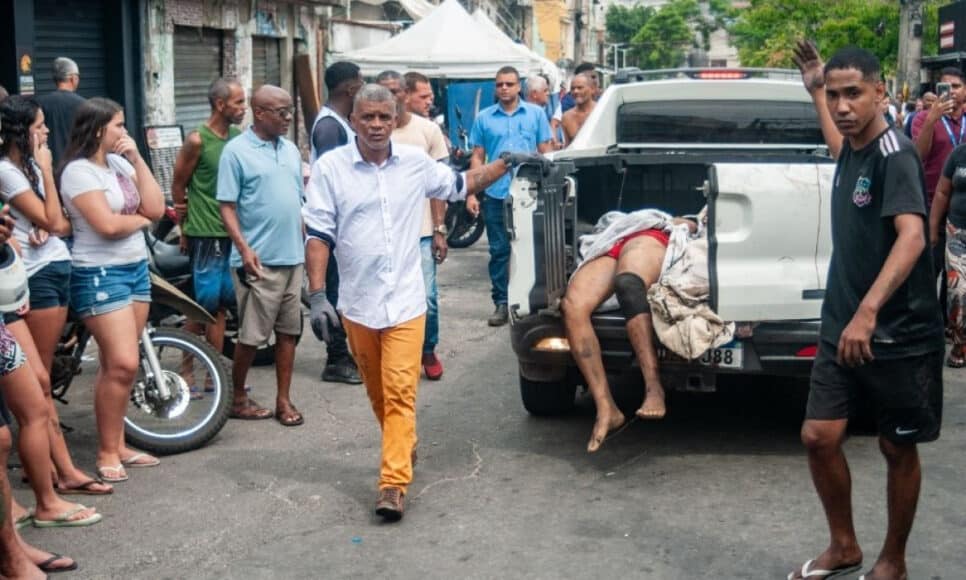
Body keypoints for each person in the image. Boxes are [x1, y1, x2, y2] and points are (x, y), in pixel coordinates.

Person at [303, 84, 526, 521]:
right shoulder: (331, 169)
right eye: (367, 117)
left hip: (406, 301)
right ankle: (403, 443)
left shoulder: (415, 164)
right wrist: (316, 295)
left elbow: (463, 184)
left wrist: (505, 163)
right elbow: (318, 234)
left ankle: (393, 483)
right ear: (354, 120)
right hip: (357, 304)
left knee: (401, 392)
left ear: (395, 118)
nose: (376, 125)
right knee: (378, 394)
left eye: (384, 117)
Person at [790, 42, 944, 580]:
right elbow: (837, 148)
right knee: (819, 436)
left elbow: (913, 237)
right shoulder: (855, 146)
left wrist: (869, 310)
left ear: (881, 92)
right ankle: (844, 546)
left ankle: (893, 561)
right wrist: (814, 88)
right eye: (834, 95)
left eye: (853, 94)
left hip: (897, 332)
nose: (841, 106)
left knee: (896, 447)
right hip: (843, 326)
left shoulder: (894, 155)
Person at [0, 95, 114, 497]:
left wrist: (47, 218)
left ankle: (58, 466)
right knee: (39, 381)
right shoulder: (10, 172)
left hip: (50, 269)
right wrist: (47, 172)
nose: (47, 132)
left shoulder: (27, 168)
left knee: (42, 381)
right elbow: (51, 217)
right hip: (31, 279)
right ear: (21, 131)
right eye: (39, 126)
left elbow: (61, 224)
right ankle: (55, 470)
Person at [60, 97, 166, 482]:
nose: (125, 132)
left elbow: (156, 207)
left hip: (135, 268)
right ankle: (106, 451)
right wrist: (139, 220)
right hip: (99, 273)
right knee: (124, 363)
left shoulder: (121, 164)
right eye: (119, 126)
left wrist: (137, 159)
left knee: (114, 366)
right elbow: (104, 226)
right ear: (99, 128)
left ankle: (119, 444)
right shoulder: (78, 172)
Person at [563, 211, 699, 452]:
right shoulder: (630, 217)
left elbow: (691, 226)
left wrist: (686, 223)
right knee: (572, 306)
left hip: (647, 236)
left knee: (628, 284)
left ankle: (653, 388)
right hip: (614, 237)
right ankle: (606, 407)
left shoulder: (669, 222)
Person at [217, 85, 305, 427]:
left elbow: (296, 201)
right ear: (260, 112)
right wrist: (243, 248)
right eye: (280, 112)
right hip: (258, 260)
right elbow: (226, 205)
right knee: (252, 337)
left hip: (292, 257)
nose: (287, 118)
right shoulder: (236, 152)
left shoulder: (291, 150)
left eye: (289, 111)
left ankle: (284, 400)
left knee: (288, 333)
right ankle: (237, 397)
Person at [376, 71, 450, 380]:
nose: (391, 98)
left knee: (427, 298)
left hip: (419, 232)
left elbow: (440, 186)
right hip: (380, 232)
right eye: (384, 92)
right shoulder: (375, 132)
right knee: (382, 295)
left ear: (406, 94)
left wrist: (439, 229)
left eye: (395, 91)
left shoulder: (427, 131)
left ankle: (427, 348)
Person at [467, 66, 553, 326]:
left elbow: (546, 152)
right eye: (500, 84)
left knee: (534, 249)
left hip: (529, 193)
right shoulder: (484, 118)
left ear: (519, 87)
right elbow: (478, 157)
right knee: (499, 251)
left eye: (509, 84)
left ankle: (533, 303)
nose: (504, 88)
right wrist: (471, 193)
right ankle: (501, 303)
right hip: (495, 194)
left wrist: (550, 189)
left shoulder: (536, 114)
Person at [171, 78, 246, 373]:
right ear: (220, 104)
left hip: (231, 234)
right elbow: (178, 187)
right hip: (206, 233)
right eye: (238, 102)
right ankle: (192, 372)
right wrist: (185, 229)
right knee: (206, 308)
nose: (244, 108)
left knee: (218, 307)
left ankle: (211, 376)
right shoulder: (197, 140)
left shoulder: (237, 137)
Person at [307, 61, 364, 385]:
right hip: (332, 228)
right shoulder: (330, 127)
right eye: (360, 81)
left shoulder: (339, 122)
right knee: (334, 291)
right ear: (350, 88)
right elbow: (334, 180)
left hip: (343, 227)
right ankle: (336, 359)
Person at [913, 67, 966, 321]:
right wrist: (932, 119)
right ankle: (921, 322)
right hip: (931, 202)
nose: (952, 92)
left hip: (960, 211)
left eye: (956, 86)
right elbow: (917, 156)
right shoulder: (924, 117)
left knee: (955, 273)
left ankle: (949, 324)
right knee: (929, 268)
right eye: (946, 87)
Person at [929, 142, 966, 367]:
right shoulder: (958, 154)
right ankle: (960, 342)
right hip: (957, 234)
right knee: (957, 292)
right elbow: (942, 192)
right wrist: (933, 227)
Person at [36, 57, 85, 165]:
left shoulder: (40, 103)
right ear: (73, 78)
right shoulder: (84, 104)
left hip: (48, 162)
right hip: (75, 164)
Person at [525, 74, 561, 149]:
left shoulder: (540, 112)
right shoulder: (534, 114)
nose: (548, 93)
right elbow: (544, 147)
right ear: (534, 94)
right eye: (545, 90)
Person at [561, 73, 596, 146]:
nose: (575, 91)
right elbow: (567, 148)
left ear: (592, 89)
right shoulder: (567, 117)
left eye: (580, 88)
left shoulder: (600, 111)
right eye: (572, 88)